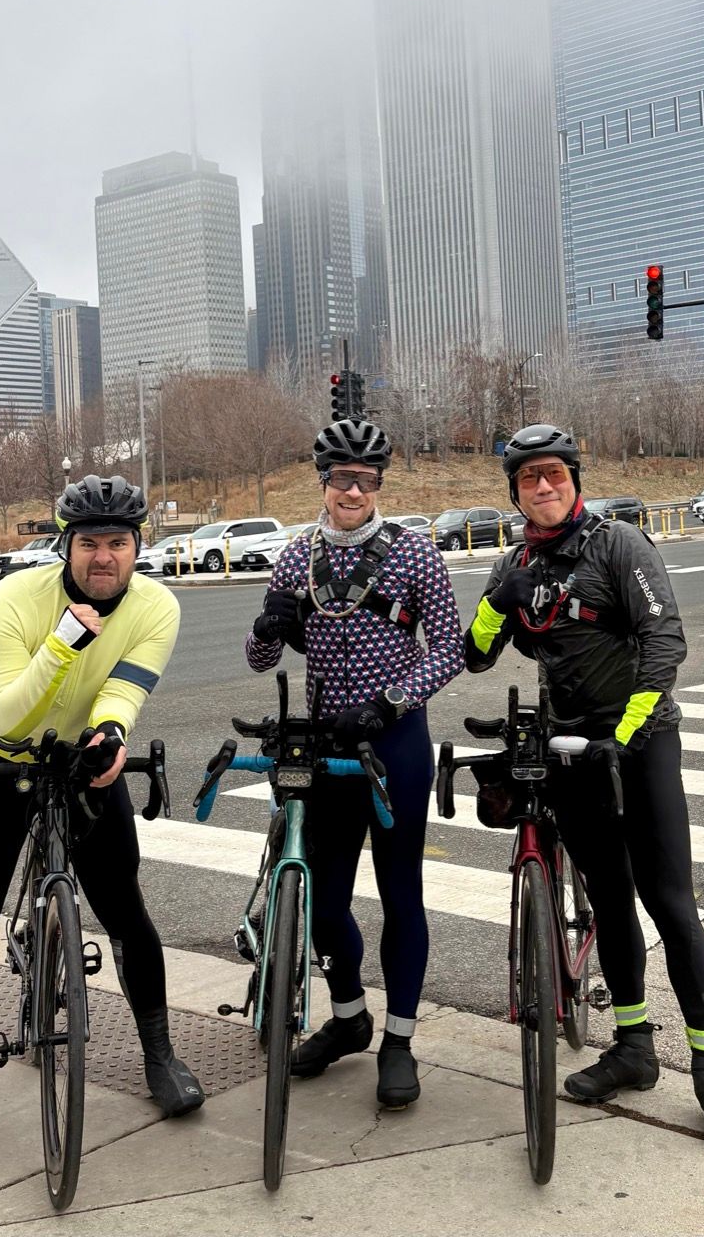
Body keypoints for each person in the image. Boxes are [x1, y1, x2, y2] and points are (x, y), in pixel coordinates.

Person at [463, 424, 704, 1150]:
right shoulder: (513, 562)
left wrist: (620, 739)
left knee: (670, 904)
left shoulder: (619, 545)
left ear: (574, 480)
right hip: (568, 750)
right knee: (611, 904)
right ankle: (632, 1048)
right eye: (529, 478)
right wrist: (500, 600)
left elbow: (664, 642)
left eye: (554, 474)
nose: (543, 486)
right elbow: (476, 654)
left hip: (637, 743)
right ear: (515, 493)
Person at [0, 475, 203, 1161]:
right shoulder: (14, 599)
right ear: (65, 546)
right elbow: (9, 715)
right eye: (90, 543)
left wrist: (110, 733)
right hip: (0, 756)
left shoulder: (156, 606)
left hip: (79, 757)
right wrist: (64, 639)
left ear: (138, 547)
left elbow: (124, 689)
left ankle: (160, 1056)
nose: (104, 557)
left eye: (118, 543)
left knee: (126, 911)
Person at [245, 419, 464, 1109]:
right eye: (342, 478)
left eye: (366, 480)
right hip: (325, 744)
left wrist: (390, 702)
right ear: (323, 482)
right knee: (323, 901)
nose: (353, 491)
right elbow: (258, 659)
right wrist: (267, 626)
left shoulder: (414, 552)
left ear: (378, 486)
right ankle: (348, 1018)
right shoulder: (295, 556)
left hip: (394, 742)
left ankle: (398, 1042)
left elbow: (449, 649)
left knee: (401, 893)